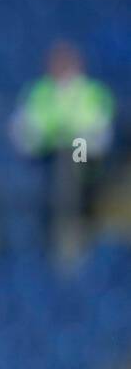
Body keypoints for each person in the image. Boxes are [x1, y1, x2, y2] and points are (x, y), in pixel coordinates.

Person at [9, 41, 115, 257]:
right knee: (55, 166)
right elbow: (22, 130)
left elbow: (100, 132)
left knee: (76, 156)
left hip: (84, 155)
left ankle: (78, 221)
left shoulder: (93, 93)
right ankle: (53, 231)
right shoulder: (39, 93)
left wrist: (70, 136)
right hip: (49, 156)